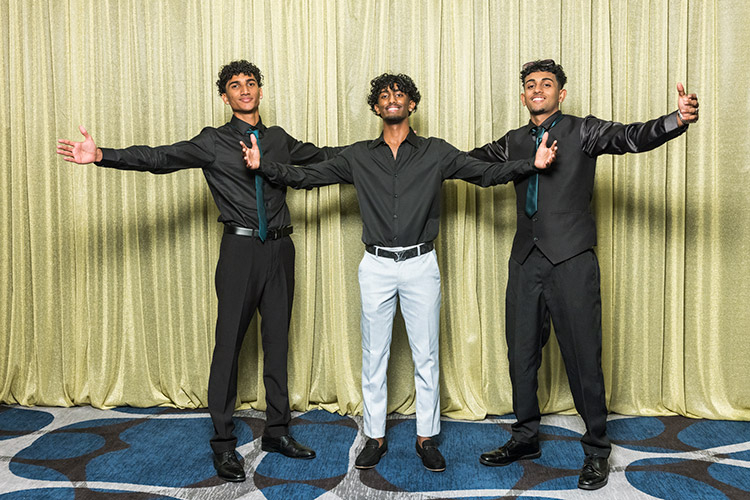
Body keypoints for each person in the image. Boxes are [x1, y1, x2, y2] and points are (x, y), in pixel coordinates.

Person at [243, 73, 558, 472]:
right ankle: (374, 436)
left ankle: (426, 438)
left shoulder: (435, 152)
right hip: (375, 265)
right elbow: (307, 178)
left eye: (400, 94)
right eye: (385, 95)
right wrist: (264, 166)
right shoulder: (358, 155)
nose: (392, 99)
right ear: (376, 108)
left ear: (412, 104)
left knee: (426, 355)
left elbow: (483, 174)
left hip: (421, 264)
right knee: (374, 355)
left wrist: (530, 164)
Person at [56, 60, 344, 483]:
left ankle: (277, 432)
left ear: (260, 91)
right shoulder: (212, 142)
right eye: (234, 85)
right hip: (239, 250)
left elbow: (326, 159)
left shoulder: (280, 141)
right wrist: (102, 156)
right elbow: (159, 157)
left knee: (278, 342)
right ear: (224, 97)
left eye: (250, 83)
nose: (244, 90)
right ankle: (224, 445)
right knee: (228, 346)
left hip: (281, 249)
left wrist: (381, 157)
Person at [468, 59, 699, 490]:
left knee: (583, 356)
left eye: (547, 84)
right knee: (521, 354)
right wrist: (421, 160)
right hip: (525, 260)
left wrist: (676, 119)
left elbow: (631, 136)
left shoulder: (583, 129)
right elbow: (473, 167)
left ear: (562, 94)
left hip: (572, 260)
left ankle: (596, 450)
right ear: (523, 97)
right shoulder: (513, 141)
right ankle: (525, 437)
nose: (538, 90)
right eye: (531, 85)